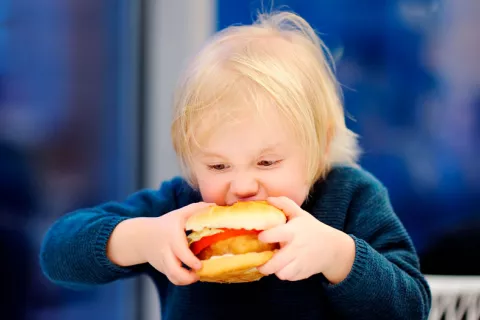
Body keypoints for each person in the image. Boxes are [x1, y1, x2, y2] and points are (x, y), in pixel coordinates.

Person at [40, 10, 431, 320]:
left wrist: (340, 256)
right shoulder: (181, 208)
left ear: (320, 143)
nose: (242, 186)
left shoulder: (350, 198)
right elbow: (57, 252)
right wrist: (145, 238)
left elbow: (412, 305)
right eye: (218, 166)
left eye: (266, 161)